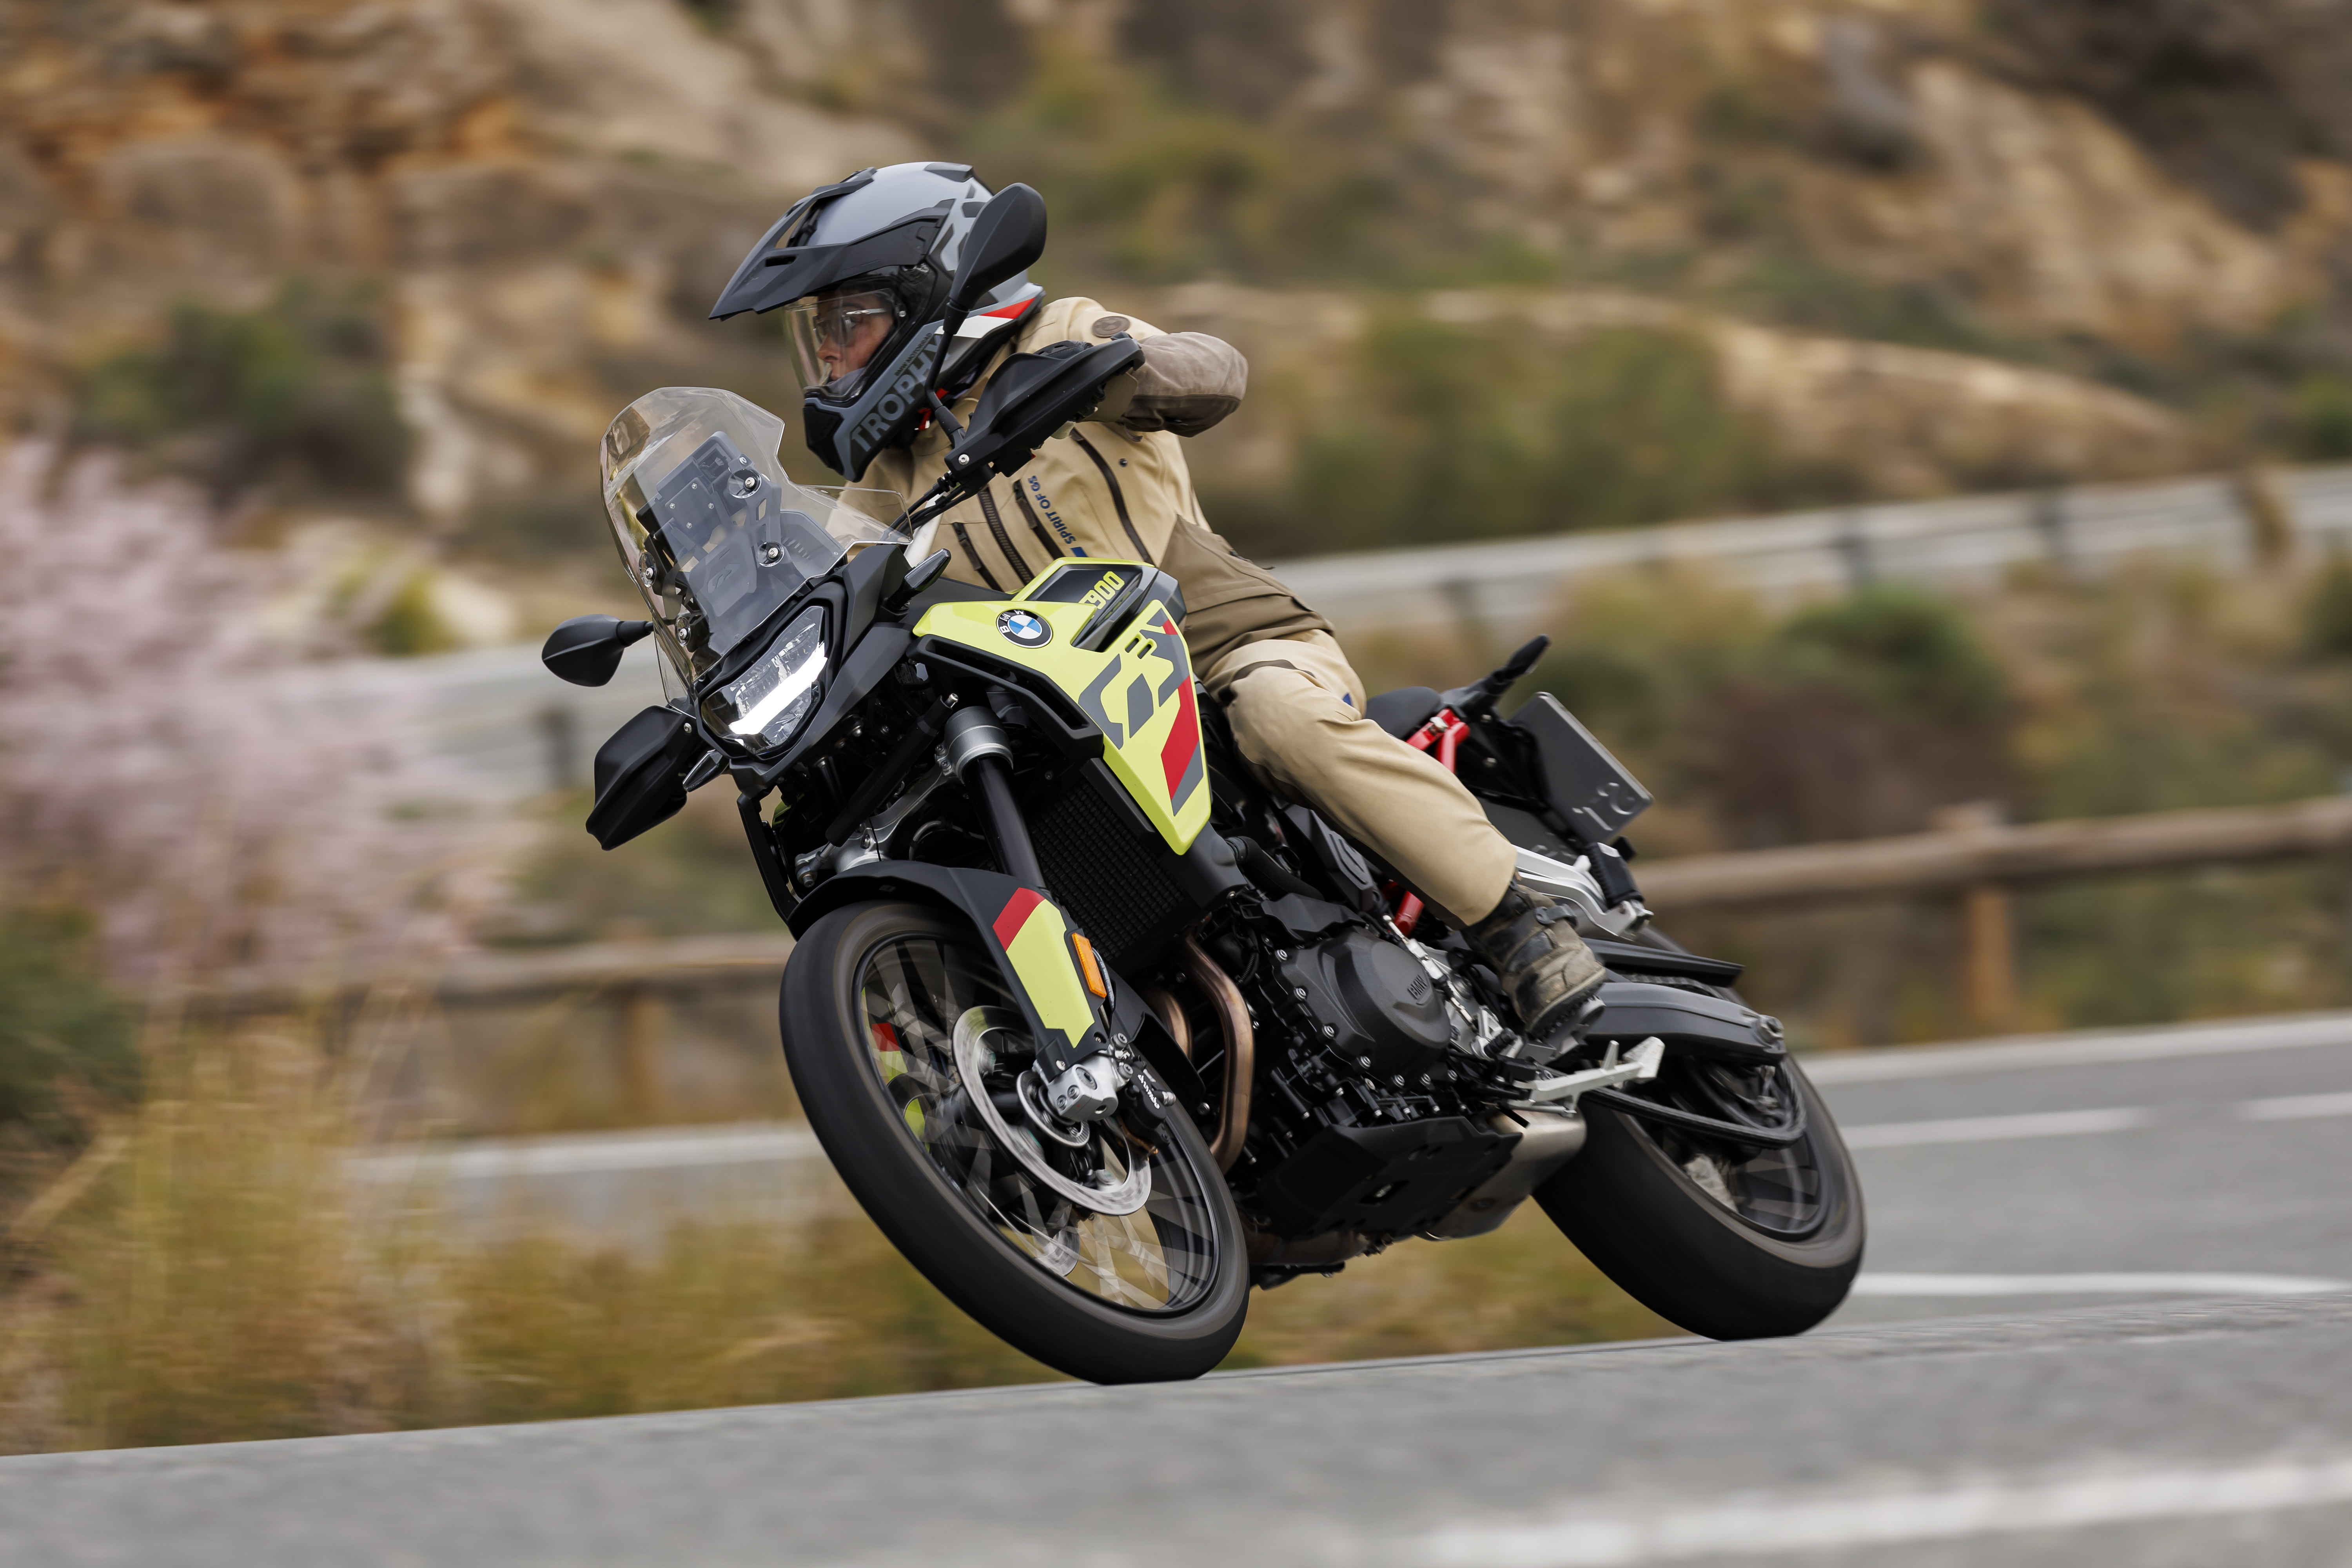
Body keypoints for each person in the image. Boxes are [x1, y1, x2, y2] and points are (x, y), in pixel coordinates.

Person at [710, 163, 1603, 1047]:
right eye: (819, 333)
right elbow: (838, 601)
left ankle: (1517, 921)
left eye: (848, 322)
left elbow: (1215, 371)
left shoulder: (1060, 332)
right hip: (1065, 726)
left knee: (1278, 714)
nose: (831, 356)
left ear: (925, 293)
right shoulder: (880, 487)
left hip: (1219, 651)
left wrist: (1114, 372)